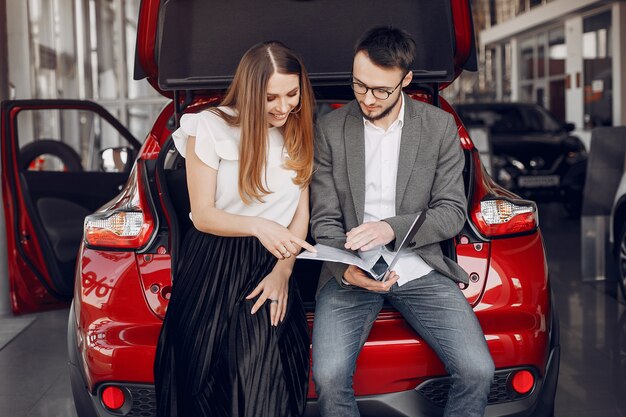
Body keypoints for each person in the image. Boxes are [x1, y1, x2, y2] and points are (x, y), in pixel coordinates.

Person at [310, 26, 495, 417]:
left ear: (406, 80)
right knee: (327, 379)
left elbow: (451, 212)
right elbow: (324, 218)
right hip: (350, 274)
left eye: (381, 90)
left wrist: (390, 228)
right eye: (359, 86)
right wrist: (345, 270)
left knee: (479, 370)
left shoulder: (439, 127)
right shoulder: (328, 130)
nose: (367, 98)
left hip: (418, 267)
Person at [154, 41, 316, 417]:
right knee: (203, 380)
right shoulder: (209, 126)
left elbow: (301, 216)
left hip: (274, 261)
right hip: (213, 260)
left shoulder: (299, 129)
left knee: (264, 379)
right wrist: (259, 226)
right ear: (249, 90)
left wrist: (283, 272)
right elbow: (203, 215)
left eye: (292, 94)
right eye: (271, 97)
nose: (283, 106)